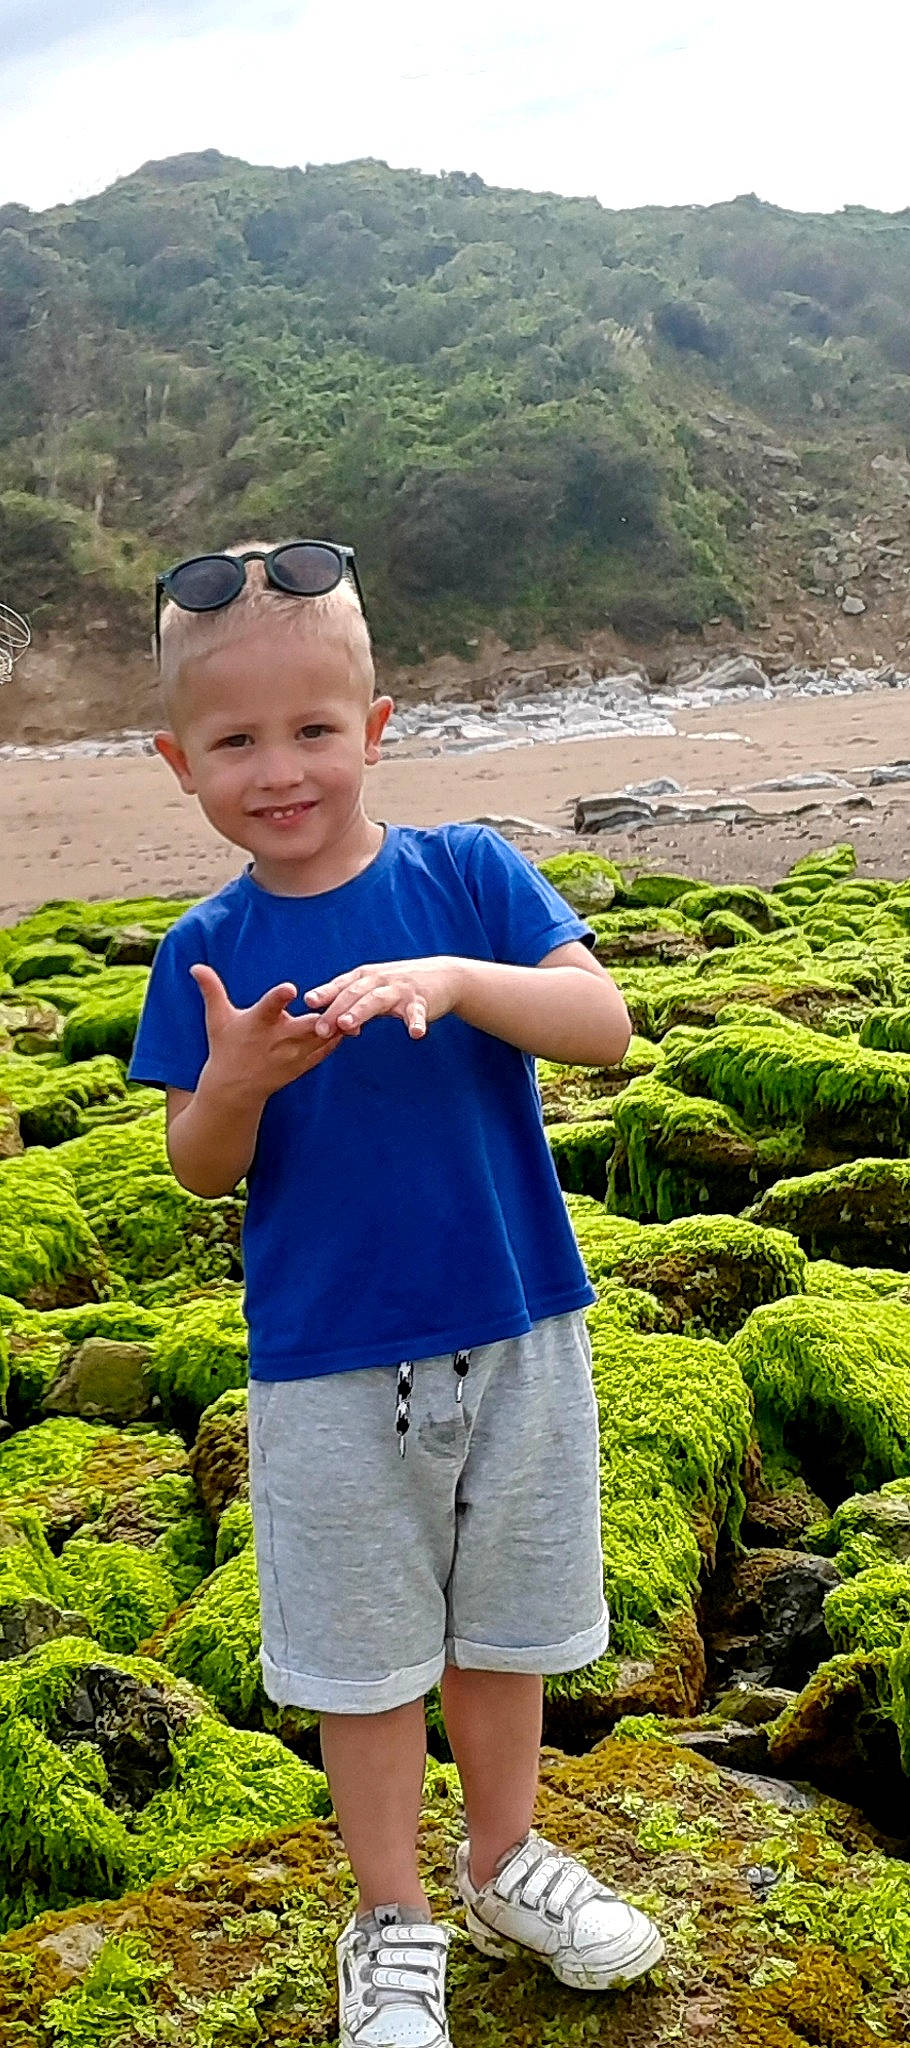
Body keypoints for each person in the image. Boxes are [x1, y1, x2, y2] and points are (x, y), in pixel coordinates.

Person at [127, 537, 664, 2048]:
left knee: (507, 1630)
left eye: (313, 729)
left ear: (372, 728)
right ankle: (390, 1918)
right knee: (363, 1661)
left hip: (516, 1325)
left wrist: (455, 978)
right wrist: (235, 1080)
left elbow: (603, 1026)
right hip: (325, 1363)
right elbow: (197, 1168)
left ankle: (504, 1861)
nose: (279, 770)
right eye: (236, 741)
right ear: (178, 762)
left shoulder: (469, 877)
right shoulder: (206, 952)